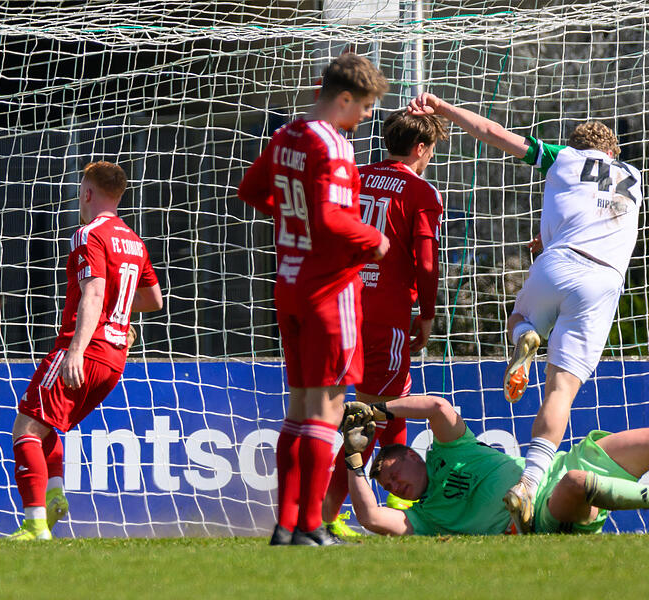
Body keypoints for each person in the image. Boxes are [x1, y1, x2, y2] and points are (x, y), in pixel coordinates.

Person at [407, 93, 643, 533]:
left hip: (557, 262)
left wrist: (443, 108)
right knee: (561, 391)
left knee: (521, 320)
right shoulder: (633, 175)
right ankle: (530, 484)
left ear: (577, 146)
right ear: (613, 153)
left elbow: (493, 133)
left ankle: (524, 339)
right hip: (604, 279)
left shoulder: (564, 157)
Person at [237, 52, 389, 545]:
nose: (367, 116)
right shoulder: (334, 146)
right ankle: (308, 526)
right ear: (344, 98)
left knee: (300, 410)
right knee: (327, 411)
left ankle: (286, 525)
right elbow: (332, 220)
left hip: (290, 285)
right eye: (365, 106)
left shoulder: (287, 136)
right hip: (331, 289)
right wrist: (376, 241)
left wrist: (289, 222)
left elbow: (251, 190)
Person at [9, 161, 163, 540]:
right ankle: (55, 493)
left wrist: (75, 351)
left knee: (26, 425)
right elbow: (153, 299)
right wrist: (120, 320)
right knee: (47, 422)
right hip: (114, 360)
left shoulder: (88, 234)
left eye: (81, 188)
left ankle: (35, 524)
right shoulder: (134, 240)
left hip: (85, 348)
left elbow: (93, 291)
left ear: (88, 193)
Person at [321, 109, 448, 537]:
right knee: (372, 416)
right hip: (382, 318)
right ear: (420, 148)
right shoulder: (420, 192)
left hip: (335, 310)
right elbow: (426, 264)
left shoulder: (351, 177)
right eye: (431, 151)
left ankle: (395, 500)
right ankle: (327, 516)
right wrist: (426, 315)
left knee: (363, 409)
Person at [340, 397, 649, 536]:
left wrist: (374, 412)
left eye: (393, 476)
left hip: (558, 463)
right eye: (388, 487)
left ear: (412, 455)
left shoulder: (453, 448)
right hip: (543, 510)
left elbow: (438, 408)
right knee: (576, 482)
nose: (394, 487)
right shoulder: (424, 519)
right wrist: (354, 462)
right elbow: (369, 516)